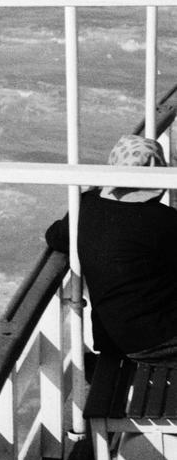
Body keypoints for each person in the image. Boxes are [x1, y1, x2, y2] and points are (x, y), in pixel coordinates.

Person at [75, 135, 177, 362]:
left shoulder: (87, 205)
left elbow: (55, 236)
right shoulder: (163, 220)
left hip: (113, 340)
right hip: (158, 341)